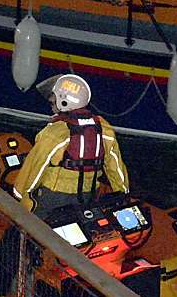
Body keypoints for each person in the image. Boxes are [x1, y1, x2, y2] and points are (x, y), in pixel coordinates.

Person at [13, 73, 130, 220]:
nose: (51, 105)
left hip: (53, 198)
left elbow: (35, 167)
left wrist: (20, 195)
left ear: (63, 102)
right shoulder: (103, 128)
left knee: (27, 228)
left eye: (52, 101)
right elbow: (115, 166)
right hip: (88, 197)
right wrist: (123, 193)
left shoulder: (56, 132)